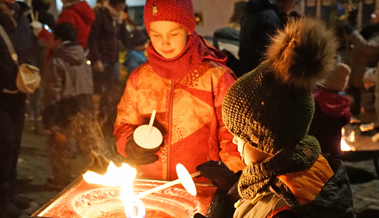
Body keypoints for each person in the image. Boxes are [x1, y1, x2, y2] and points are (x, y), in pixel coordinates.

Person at [196, 18, 354, 217]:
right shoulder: (299, 164)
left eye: (240, 135)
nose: (234, 140)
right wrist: (232, 186)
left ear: (265, 140)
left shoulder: (285, 208)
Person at [114, 0, 245, 181]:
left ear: (188, 29)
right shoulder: (140, 77)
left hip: (202, 183)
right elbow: (123, 124)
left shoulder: (215, 77)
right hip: (151, 184)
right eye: (156, 34)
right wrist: (129, 145)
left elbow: (234, 130)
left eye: (173, 34)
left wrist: (231, 170)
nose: (164, 42)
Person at [42, 22, 94, 189]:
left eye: (52, 36)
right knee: (86, 143)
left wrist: (49, 119)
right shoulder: (82, 57)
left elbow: (52, 92)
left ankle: (61, 180)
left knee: (58, 146)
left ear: (58, 39)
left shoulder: (57, 60)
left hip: (64, 107)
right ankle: (92, 176)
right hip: (84, 104)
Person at [0, 0, 36, 216]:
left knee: (15, 145)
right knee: (4, 143)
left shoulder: (23, 15)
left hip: (19, 91)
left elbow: (28, 48)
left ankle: (10, 193)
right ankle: (2, 201)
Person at [88, 0, 131, 133]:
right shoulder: (101, 15)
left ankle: (109, 119)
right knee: (101, 91)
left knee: (113, 89)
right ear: (117, 4)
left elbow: (124, 36)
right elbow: (93, 38)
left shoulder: (119, 17)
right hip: (102, 59)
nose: (123, 7)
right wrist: (96, 59)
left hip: (113, 59)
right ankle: (101, 120)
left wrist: (136, 43)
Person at [238, 0, 298, 77]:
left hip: (247, 71)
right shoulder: (270, 18)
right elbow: (268, 52)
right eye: (292, 3)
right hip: (260, 74)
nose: (292, 7)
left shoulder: (252, 12)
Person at [308, 63, 352, 159]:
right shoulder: (343, 102)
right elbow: (346, 119)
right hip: (334, 150)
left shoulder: (315, 100)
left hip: (315, 150)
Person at [343, 9, 379, 117]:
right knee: (353, 105)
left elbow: (367, 48)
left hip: (367, 77)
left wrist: (353, 33)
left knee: (366, 107)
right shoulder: (369, 30)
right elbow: (352, 41)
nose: (372, 17)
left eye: (375, 15)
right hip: (356, 75)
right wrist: (351, 25)